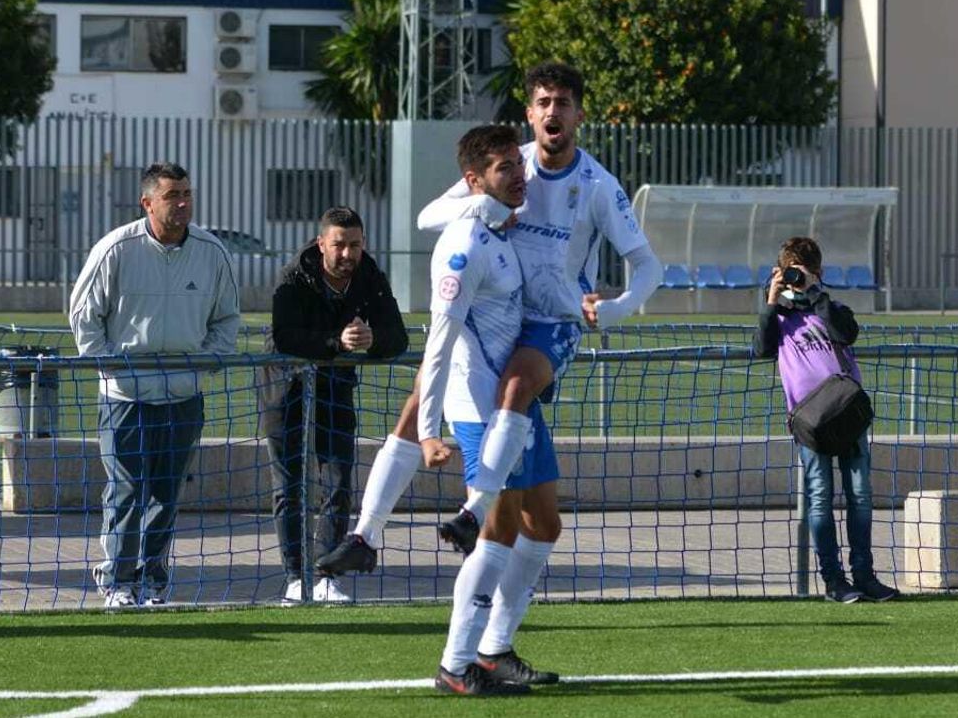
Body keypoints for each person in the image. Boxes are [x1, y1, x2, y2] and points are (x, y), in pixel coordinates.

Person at [317, 60, 662, 580]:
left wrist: (611, 308)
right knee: (431, 416)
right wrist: (485, 206)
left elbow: (649, 265)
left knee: (515, 389)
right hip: (500, 317)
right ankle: (364, 535)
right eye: (543, 103)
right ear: (529, 113)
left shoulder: (596, 185)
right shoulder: (507, 167)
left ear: (579, 115)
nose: (553, 113)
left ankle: (472, 516)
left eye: (563, 104)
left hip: (552, 325)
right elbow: (427, 216)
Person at [69, 161, 242, 609]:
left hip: (184, 396)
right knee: (127, 490)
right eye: (172, 196)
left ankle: (153, 580)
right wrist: (114, 369)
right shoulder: (116, 250)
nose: (182, 203)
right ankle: (117, 581)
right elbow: (84, 317)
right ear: (147, 202)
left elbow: (226, 319)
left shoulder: (211, 251)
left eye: (187, 194)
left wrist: (203, 366)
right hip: (126, 399)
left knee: (167, 494)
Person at [419, 124, 538, 696]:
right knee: (493, 530)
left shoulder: (497, 229)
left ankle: (483, 655)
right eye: (504, 169)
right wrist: (427, 431)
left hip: (504, 407)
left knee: (513, 523)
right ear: (474, 181)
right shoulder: (463, 245)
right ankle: (457, 663)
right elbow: (439, 343)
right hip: (477, 408)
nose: (519, 175)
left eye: (518, 163)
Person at [266, 206, 407, 604]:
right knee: (290, 487)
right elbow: (285, 336)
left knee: (339, 483)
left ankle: (325, 573)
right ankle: (295, 577)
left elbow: (397, 336)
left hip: (336, 389)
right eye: (339, 245)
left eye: (355, 246)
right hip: (285, 391)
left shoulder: (370, 277)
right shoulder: (294, 277)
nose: (347, 255)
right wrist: (336, 343)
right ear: (320, 243)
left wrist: (371, 338)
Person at [753, 236, 897, 605]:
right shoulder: (780, 317)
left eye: (805, 273)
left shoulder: (833, 307)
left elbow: (845, 332)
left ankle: (864, 576)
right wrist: (772, 300)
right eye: (792, 273)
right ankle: (834, 581)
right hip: (810, 419)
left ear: (819, 273)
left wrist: (815, 293)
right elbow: (762, 348)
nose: (797, 281)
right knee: (819, 498)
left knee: (860, 496)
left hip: (848, 412)